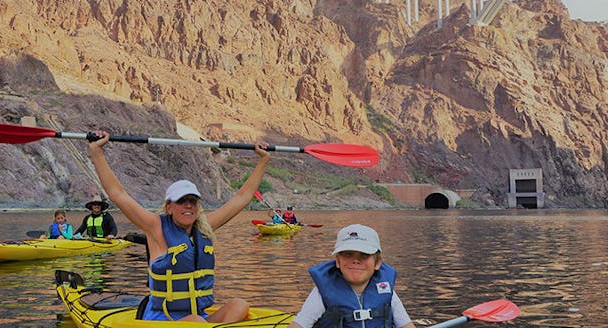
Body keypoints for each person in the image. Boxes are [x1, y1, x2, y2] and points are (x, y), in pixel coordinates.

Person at [87, 130, 271, 323]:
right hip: (163, 319)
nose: (188, 205)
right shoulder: (155, 226)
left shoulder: (203, 227)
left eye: (193, 201)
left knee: (239, 305)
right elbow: (118, 194)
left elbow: (242, 198)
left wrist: (263, 160)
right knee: (197, 323)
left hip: (197, 317)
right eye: (181, 201)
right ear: (169, 207)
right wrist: (96, 151)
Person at [288, 224, 415, 328]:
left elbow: (406, 325)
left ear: (377, 263)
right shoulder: (322, 292)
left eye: (364, 255)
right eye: (348, 254)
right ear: (337, 261)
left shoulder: (387, 290)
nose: (356, 260)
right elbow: (298, 325)